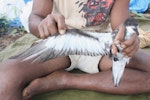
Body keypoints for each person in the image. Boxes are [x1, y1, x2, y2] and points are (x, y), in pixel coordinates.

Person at [0, 0, 150, 100]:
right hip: (59, 41)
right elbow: (35, 17)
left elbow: (121, 26)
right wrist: (43, 24)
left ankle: (65, 80)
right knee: (5, 81)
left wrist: (128, 38)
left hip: (101, 44)